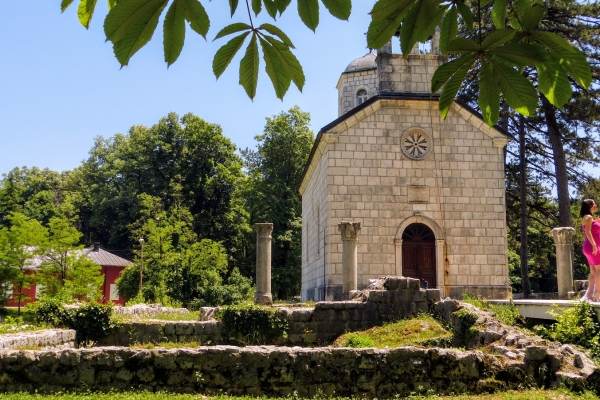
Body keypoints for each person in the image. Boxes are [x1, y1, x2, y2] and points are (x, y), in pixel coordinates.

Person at [580, 199, 600, 301]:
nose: (595, 205)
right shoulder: (588, 217)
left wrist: (597, 222)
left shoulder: (588, 218)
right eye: (594, 204)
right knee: (599, 270)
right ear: (590, 206)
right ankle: (597, 295)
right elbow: (588, 232)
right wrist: (594, 245)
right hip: (593, 246)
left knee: (593, 271)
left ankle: (590, 295)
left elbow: (592, 230)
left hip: (589, 246)